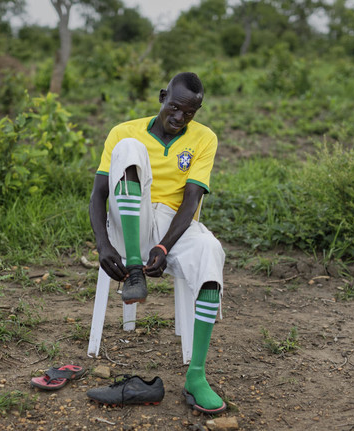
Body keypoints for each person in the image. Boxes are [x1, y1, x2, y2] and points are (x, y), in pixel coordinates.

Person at [88, 72, 226, 414]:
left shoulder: (204, 138)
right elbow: (99, 195)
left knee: (211, 251)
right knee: (130, 149)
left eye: (189, 113)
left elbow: (191, 200)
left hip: (172, 227)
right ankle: (135, 268)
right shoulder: (124, 131)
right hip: (127, 221)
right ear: (163, 96)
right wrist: (104, 245)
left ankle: (196, 377)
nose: (180, 118)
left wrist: (163, 247)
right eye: (175, 107)